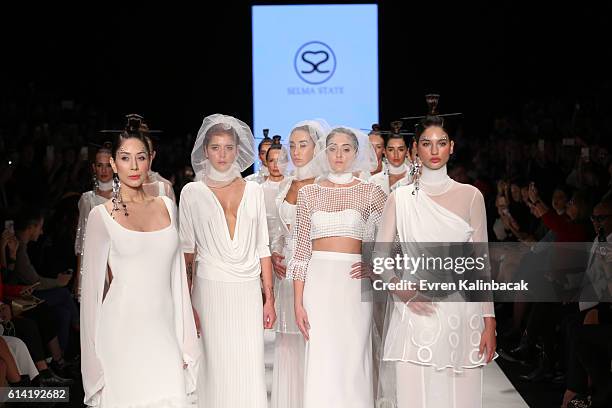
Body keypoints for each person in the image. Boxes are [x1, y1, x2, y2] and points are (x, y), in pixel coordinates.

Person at [375, 100, 496, 408]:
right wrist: (399, 287)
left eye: (441, 143)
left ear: (452, 147)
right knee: (416, 398)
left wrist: (490, 322)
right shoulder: (400, 199)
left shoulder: (471, 196)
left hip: (461, 312)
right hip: (415, 311)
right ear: (416, 148)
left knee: (461, 398)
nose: (434, 150)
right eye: (427, 143)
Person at [80, 116, 200, 407]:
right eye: (125, 158)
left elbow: (178, 280)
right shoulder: (101, 216)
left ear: (151, 160)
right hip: (121, 332)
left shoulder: (168, 206)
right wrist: (92, 367)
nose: (133, 167)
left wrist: (187, 343)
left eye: (140, 157)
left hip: (164, 331)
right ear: (113, 164)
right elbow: (92, 296)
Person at [179, 114, 275, 408]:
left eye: (229, 147)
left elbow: (263, 247)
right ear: (205, 150)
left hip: (247, 289)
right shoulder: (191, 193)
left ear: (238, 150)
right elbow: (186, 253)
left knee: (248, 361)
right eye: (216, 147)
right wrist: (185, 303)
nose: (222, 154)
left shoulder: (255, 190)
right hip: (208, 290)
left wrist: (269, 298)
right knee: (214, 362)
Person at [287, 126, 385, 408]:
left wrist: (374, 264)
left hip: (354, 286)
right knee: (321, 359)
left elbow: (395, 239)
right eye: (333, 148)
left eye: (346, 149)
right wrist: (298, 303)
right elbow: (302, 251)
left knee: (354, 358)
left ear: (356, 153)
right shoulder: (309, 194)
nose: (339, 155)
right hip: (317, 288)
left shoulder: (371, 193)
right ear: (324, 152)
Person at [269, 120, 328, 408]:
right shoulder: (285, 183)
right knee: (289, 343)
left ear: (317, 147)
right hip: (286, 275)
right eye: (292, 145)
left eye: (303, 144)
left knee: (314, 339)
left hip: (315, 271)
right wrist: (277, 253)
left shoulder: (324, 184)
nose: (296, 150)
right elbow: (279, 231)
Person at [74, 142, 114, 301]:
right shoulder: (87, 199)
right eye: (100, 165)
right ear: (93, 168)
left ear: (115, 167)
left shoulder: (124, 197)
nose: (104, 170)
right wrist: (79, 277)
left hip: (120, 262)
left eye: (108, 165)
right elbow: (82, 238)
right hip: (95, 262)